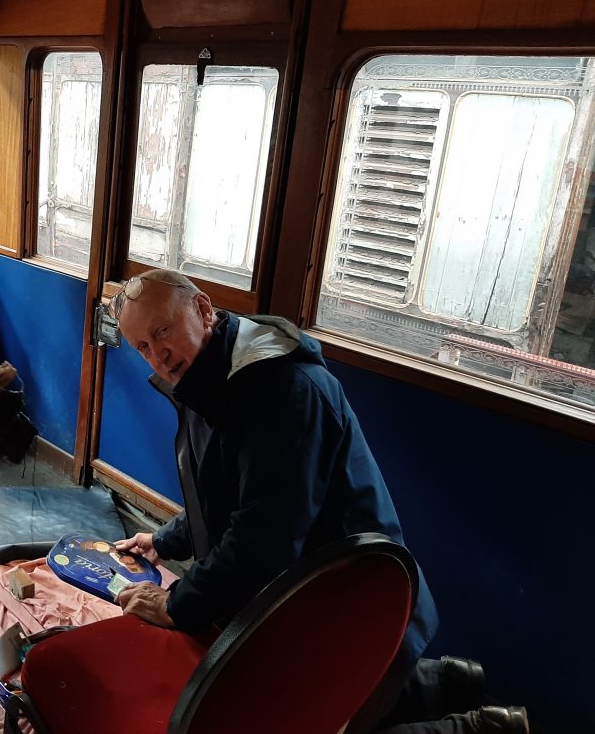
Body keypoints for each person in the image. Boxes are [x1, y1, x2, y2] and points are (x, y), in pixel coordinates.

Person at [109, 269, 529, 734]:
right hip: (306, 596)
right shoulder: (207, 375)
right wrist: (165, 541)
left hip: (352, 602)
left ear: (204, 310)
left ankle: (488, 730)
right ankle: (452, 683)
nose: (158, 356)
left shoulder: (281, 390)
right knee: (330, 696)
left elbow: (263, 540)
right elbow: (224, 497)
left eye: (163, 331)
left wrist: (177, 604)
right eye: (142, 346)